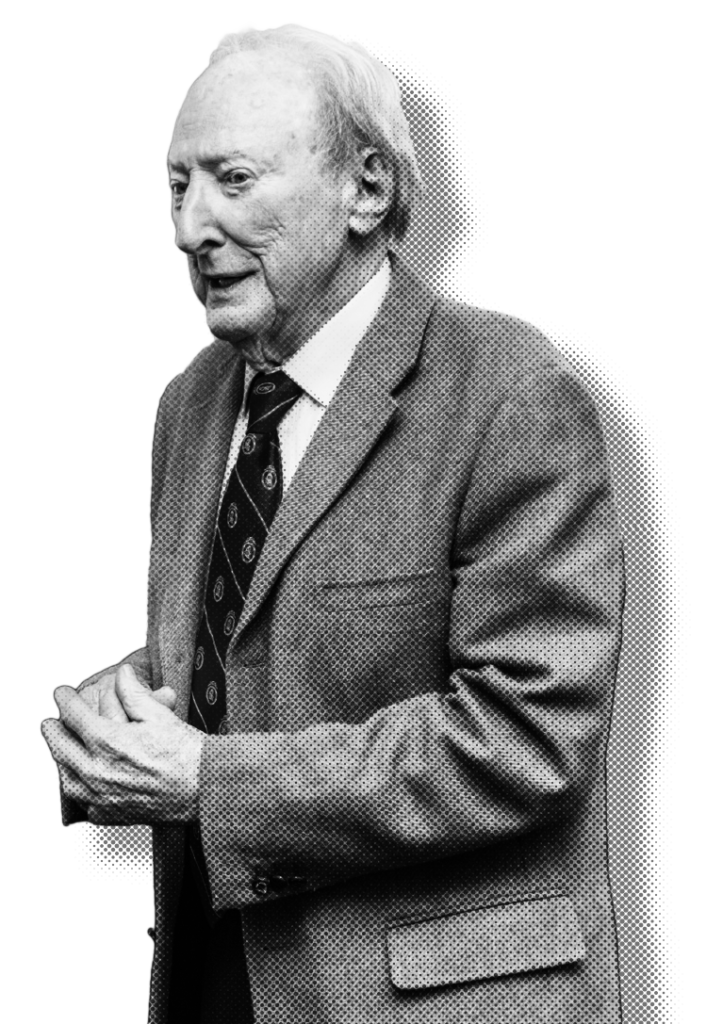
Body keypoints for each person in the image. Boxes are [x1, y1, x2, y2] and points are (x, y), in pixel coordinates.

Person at [41, 20, 623, 1024]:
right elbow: (249, 655)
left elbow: (528, 736)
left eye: (232, 179)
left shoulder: (510, 385)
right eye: (178, 187)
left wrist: (206, 779)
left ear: (366, 187)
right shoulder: (194, 398)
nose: (189, 227)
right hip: (214, 984)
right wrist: (125, 716)